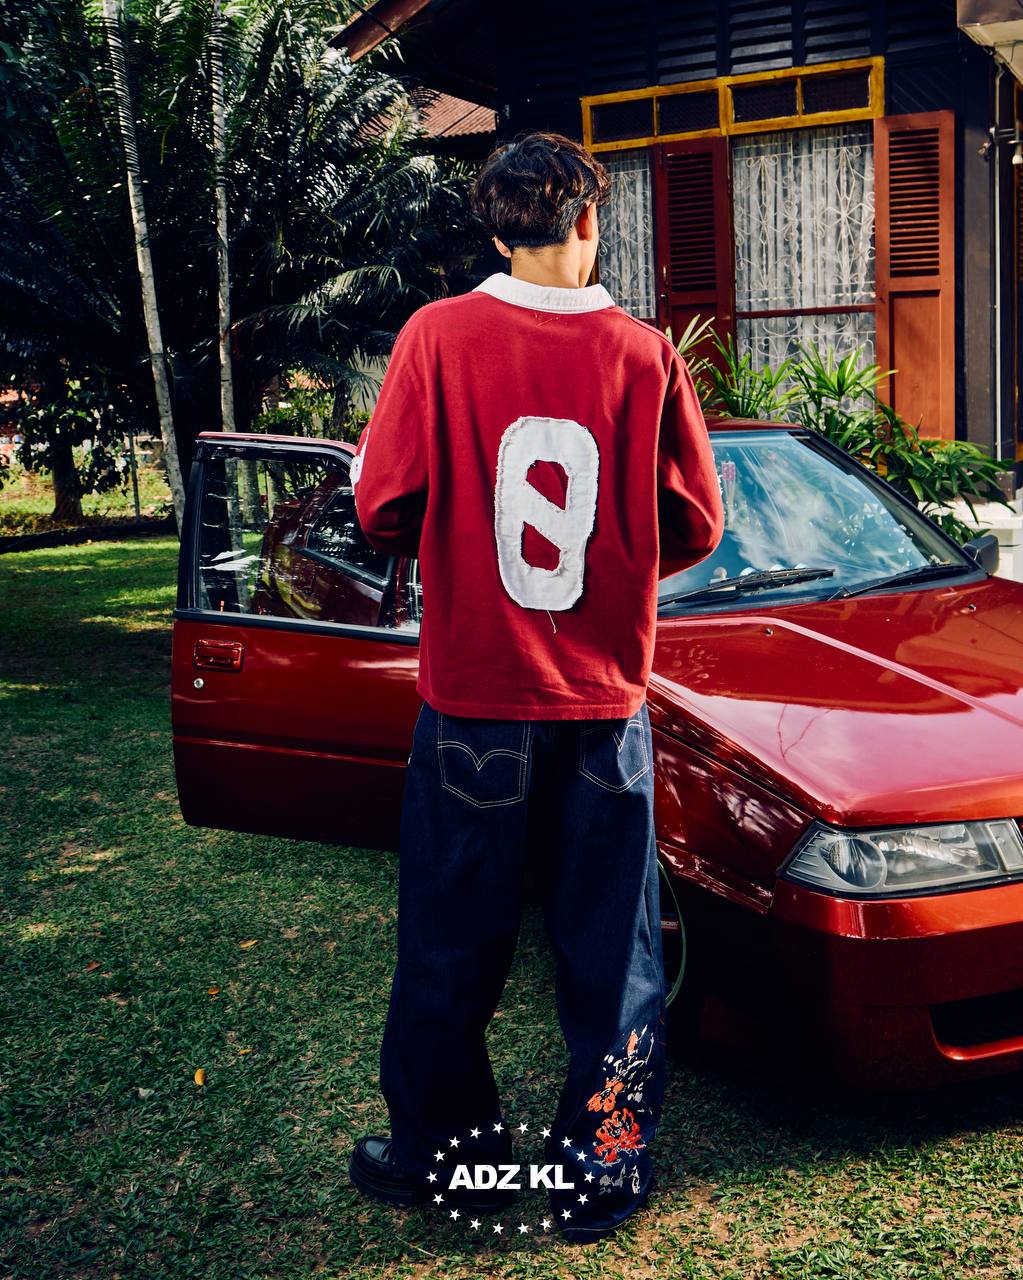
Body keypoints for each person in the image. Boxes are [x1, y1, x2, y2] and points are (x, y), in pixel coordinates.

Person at [347, 130, 724, 1245]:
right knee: (613, 952)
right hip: (602, 707)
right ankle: (601, 1169)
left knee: (450, 940)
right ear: (590, 222)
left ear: (494, 227)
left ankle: (439, 1154)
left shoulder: (436, 335)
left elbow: (384, 504)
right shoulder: (646, 354)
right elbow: (695, 521)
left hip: (472, 701)